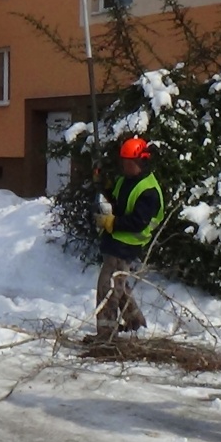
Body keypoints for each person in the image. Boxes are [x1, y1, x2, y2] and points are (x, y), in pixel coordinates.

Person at [91, 136, 164, 341]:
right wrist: (103, 185)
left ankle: (106, 334)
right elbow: (116, 203)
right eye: (124, 163)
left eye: (131, 163)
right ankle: (136, 323)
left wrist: (111, 223)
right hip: (116, 241)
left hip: (128, 244)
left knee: (108, 286)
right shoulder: (125, 181)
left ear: (142, 162)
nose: (127, 167)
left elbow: (137, 222)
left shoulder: (148, 190)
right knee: (119, 285)